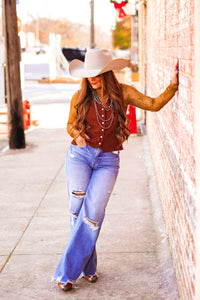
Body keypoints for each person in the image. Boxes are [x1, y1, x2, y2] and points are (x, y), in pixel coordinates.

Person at [52, 48, 179, 291]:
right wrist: (77, 135)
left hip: (108, 161)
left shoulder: (124, 93)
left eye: (98, 73)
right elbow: (70, 125)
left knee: (93, 215)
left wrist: (172, 87)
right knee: (78, 213)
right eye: (90, 73)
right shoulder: (80, 96)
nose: (93, 77)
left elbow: (153, 105)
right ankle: (88, 270)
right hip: (79, 157)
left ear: (108, 72)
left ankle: (66, 272)